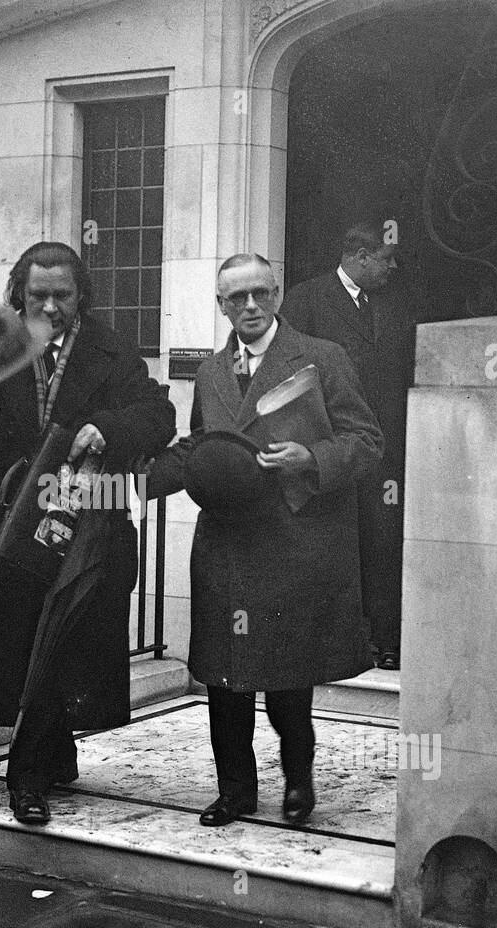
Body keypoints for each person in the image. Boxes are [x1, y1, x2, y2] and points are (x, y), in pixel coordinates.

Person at [0, 241, 175, 825]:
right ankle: (52, 751)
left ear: (81, 296)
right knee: (23, 642)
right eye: (38, 295)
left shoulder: (110, 351)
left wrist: (103, 428)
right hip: (3, 526)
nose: (51, 306)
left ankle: (25, 774)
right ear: (18, 294)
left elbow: (160, 417)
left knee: (60, 635)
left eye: (63, 295)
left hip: (79, 525)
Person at [150, 255, 382, 827]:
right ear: (221, 305)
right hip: (227, 543)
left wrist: (313, 457)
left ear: (277, 294)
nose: (248, 306)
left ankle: (298, 783)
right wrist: (143, 476)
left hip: (293, 542)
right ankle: (235, 792)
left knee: (287, 677)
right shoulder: (208, 373)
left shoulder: (324, 358)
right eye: (235, 298)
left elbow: (368, 441)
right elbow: (208, 443)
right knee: (224, 678)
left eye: (258, 294)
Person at [279, 223, 416, 670]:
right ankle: (336, 642)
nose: (394, 267)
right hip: (329, 448)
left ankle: (385, 638)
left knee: (384, 541)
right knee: (333, 542)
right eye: (387, 258)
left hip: (384, 451)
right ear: (360, 257)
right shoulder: (306, 299)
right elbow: (286, 373)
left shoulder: (394, 305)